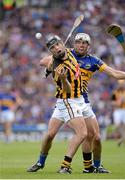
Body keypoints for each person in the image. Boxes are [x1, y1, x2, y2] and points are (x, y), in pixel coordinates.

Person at [40, 33, 125, 173]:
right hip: (67, 99)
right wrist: (50, 65)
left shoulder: (93, 61)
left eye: (84, 43)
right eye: (78, 42)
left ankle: (92, 166)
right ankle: (55, 164)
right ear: (74, 44)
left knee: (96, 137)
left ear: (88, 46)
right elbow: (44, 61)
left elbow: (114, 73)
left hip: (83, 100)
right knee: (66, 134)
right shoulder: (65, 52)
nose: (81, 45)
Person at [27, 35, 96, 174]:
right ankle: (65, 166)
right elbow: (68, 90)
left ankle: (41, 162)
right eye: (52, 48)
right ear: (51, 51)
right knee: (82, 133)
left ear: (62, 44)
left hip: (68, 100)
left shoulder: (70, 52)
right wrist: (63, 78)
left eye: (57, 45)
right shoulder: (59, 69)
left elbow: (43, 61)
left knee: (50, 134)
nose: (56, 48)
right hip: (68, 100)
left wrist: (48, 63)